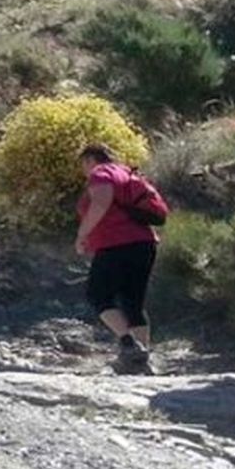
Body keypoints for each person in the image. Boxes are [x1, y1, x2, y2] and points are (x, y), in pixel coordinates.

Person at [75, 143, 159, 375]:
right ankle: (142, 363)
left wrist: (82, 234)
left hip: (116, 244)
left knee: (97, 294)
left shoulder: (101, 172)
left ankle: (128, 344)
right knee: (133, 302)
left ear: (90, 159)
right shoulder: (127, 172)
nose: (84, 171)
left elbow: (101, 201)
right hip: (145, 243)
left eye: (83, 164)